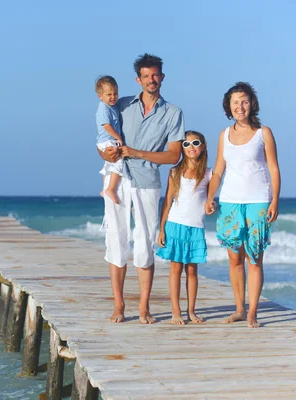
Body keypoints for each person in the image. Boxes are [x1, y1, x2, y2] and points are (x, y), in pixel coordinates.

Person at [98, 53, 185, 324]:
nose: (151, 80)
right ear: (138, 79)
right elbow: (101, 138)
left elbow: (173, 156)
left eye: (155, 75)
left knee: (145, 244)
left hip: (147, 182)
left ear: (162, 77)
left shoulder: (173, 113)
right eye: (146, 76)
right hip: (119, 179)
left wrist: (136, 152)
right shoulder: (120, 105)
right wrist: (105, 155)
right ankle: (119, 306)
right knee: (116, 240)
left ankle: (144, 307)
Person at [205, 82, 281, 328]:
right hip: (229, 201)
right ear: (229, 106)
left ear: (252, 104)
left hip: (257, 200)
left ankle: (253, 313)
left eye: (245, 101)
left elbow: (273, 168)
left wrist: (275, 200)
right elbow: (218, 171)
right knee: (234, 259)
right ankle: (239, 309)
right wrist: (209, 197)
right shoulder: (224, 135)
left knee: (254, 257)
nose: (240, 106)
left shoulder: (264, 133)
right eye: (235, 102)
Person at [157, 131, 211, 325]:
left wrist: (212, 206)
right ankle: (176, 311)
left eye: (195, 143)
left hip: (195, 227)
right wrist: (161, 228)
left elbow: (211, 200)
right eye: (186, 144)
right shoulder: (174, 172)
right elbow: (167, 202)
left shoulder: (208, 173)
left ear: (203, 146)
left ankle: (191, 311)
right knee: (175, 269)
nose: (191, 147)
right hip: (175, 225)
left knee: (192, 271)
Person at [95, 76, 124, 205]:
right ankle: (110, 189)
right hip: (107, 140)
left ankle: (103, 189)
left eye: (115, 93)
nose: (113, 97)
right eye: (109, 94)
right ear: (100, 96)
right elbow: (106, 125)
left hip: (106, 140)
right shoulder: (103, 108)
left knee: (108, 165)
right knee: (118, 161)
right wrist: (118, 137)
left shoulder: (112, 106)